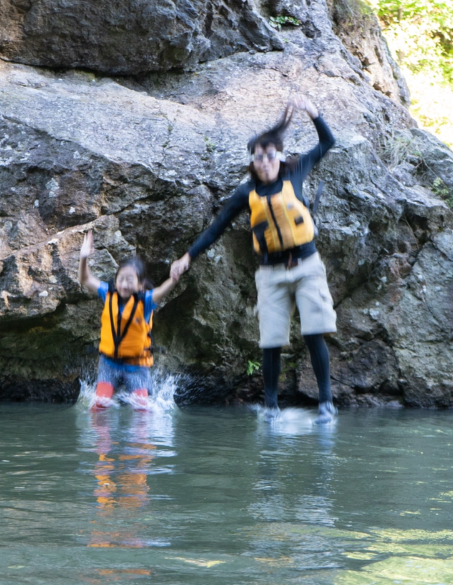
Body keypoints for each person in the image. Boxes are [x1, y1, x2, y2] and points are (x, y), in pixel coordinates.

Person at [170, 97, 338, 421]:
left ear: (279, 156)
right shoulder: (246, 194)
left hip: (307, 267)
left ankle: (326, 404)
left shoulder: (296, 170)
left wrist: (313, 113)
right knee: (271, 340)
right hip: (270, 273)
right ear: (252, 161)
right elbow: (216, 228)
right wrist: (187, 257)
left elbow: (328, 142)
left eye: (270, 156)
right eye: (258, 158)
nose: (264, 163)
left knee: (313, 331)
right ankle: (271, 407)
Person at [79, 231, 177, 407]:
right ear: (115, 281)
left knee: (142, 410)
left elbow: (161, 291)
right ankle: (101, 436)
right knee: (99, 406)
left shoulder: (145, 302)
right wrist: (84, 257)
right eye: (121, 279)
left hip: (136, 367)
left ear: (140, 285)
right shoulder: (108, 294)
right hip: (109, 364)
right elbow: (85, 279)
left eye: (130, 280)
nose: (124, 285)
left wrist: (173, 279)